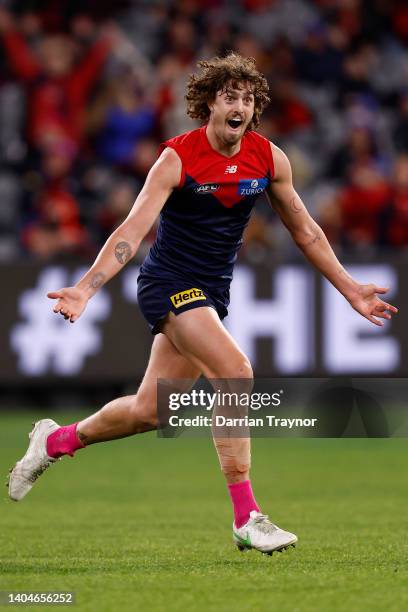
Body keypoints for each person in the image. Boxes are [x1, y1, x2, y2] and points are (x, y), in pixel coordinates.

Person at [8, 53, 398, 555]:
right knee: (235, 372)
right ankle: (247, 516)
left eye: (248, 98)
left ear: (254, 109)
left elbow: (305, 230)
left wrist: (349, 287)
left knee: (150, 411)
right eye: (229, 96)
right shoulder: (177, 158)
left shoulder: (269, 158)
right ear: (209, 103)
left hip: (211, 291)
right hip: (168, 282)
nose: (239, 105)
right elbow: (132, 230)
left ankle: (55, 441)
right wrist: (86, 287)